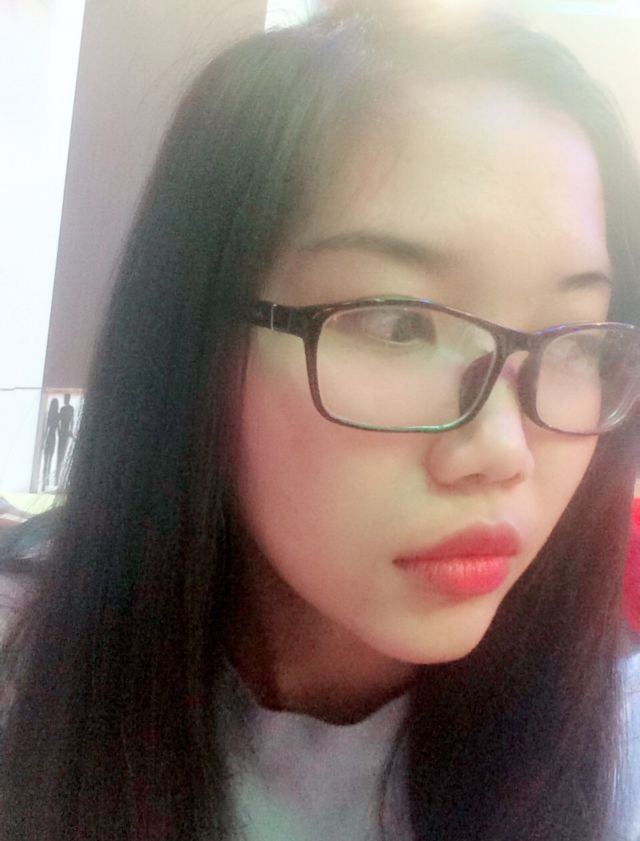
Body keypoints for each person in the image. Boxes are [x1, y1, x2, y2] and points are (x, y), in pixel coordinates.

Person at [2, 1, 640, 838]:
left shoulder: (616, 759)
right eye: (399, 323)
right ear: (197, 342)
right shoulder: (26, 677)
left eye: (576, 338)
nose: (501, 451)